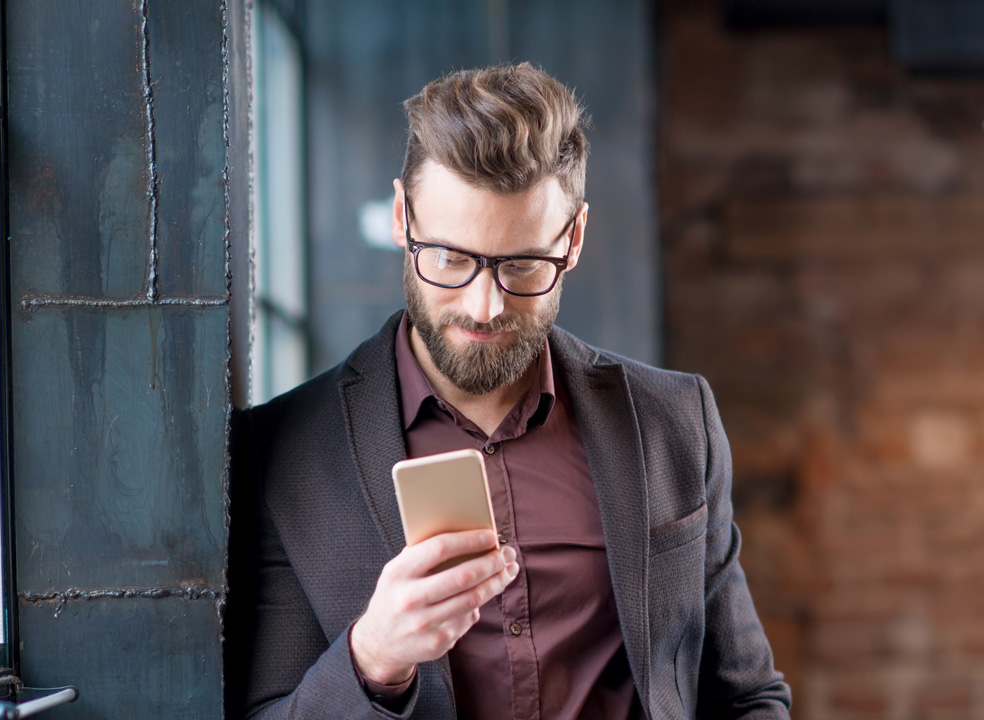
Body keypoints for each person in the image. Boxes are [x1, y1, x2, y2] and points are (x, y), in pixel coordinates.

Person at [225, 62, 790, 720]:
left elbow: (746, 697)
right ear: (403, 219)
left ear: (573, 238)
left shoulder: (672, 422)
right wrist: (373, 658)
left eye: (522, 265)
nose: (484, 306)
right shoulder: (285, 452)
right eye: (450, 259)